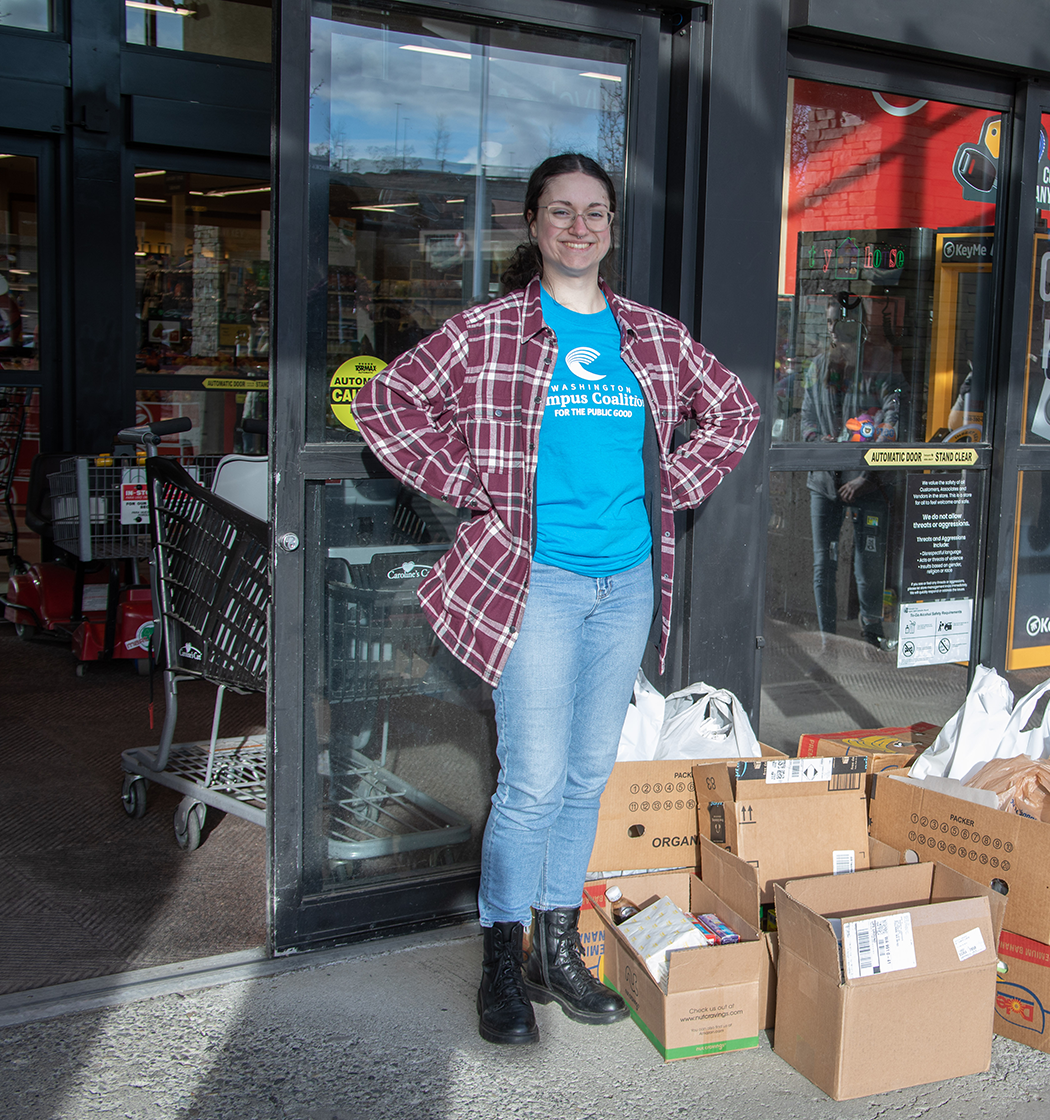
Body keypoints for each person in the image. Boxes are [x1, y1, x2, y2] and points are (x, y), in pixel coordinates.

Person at [353, 153, 758, 1047]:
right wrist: (467, 482)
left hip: (625, 586)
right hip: (532, 582)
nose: (580, 227)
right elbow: (384, 404)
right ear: (533, 225)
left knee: (585, 777)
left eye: (596, 213)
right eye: (562, 212)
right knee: (531, 784)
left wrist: (672, 487)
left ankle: (555, 944)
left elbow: (733, 410)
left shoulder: (650, 336)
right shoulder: (489, 331)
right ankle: (501, 956)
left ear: (612, 229)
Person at [799, 299, 900, 647]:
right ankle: (827, 633)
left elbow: (892, 420)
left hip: (867, 483)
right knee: (823, 562)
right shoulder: (818, 366)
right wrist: (819, 443)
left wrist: (869, 475)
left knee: (868, 561)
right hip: (825, 480)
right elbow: (806, 417)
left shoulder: (882, 364)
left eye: (839, 321)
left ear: (858, 323)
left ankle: (871, 631)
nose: (832, 328)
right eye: (829, 322)